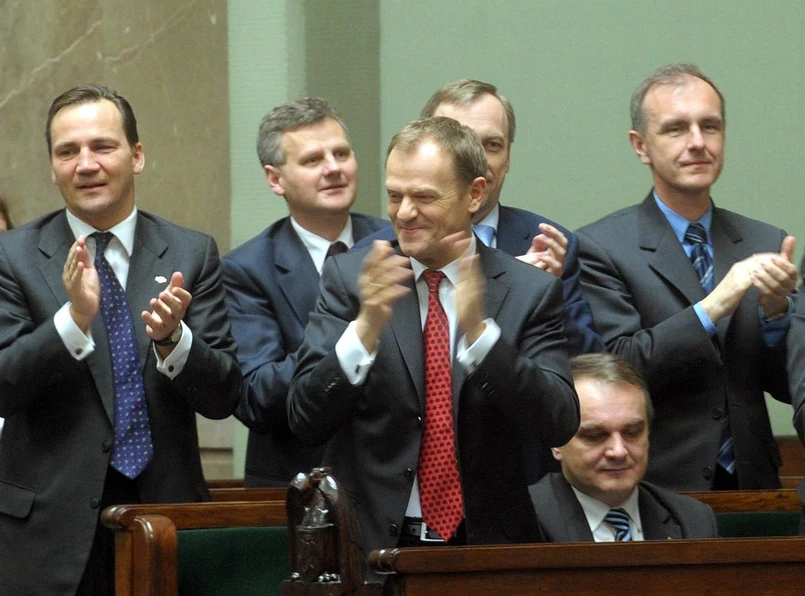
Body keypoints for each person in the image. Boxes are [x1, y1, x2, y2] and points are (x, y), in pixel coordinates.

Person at [287, 117, 579, 555]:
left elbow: (560, 420)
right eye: (394, 195)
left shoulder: (528, 290)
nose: (404, 213)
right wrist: (365, 329)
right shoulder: (351, 280)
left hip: (486, 550)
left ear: (474, 194)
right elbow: (305, 417)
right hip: (372, 550)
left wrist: (482, 339)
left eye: (424, 197)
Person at [0, 85, 242, 595]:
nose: (86, 164)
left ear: (137, 155)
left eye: (103, 146)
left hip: (165, 521)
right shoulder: (13, 257)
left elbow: (224, 396)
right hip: (49, 535)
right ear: (52, 168)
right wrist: (73, 320)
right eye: (68, 151)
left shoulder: (191, 252)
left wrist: (174, 341)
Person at [577, 64, 797, 492]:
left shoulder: (764, 240)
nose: (697, 142)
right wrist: (714, 305)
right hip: (656, 483)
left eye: (710, 126)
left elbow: (789, 387)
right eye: (676, 129)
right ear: (641, 145)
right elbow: (618, 371)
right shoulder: (600, 246)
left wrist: (777, 315)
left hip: (754, 483)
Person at [357, 79, 602, 356]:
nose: (478, 161)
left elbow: (586, 362)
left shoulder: (549, 244)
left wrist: (541, 293)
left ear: (508, 157)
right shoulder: (370, 257)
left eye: (492, 145)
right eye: (458, 143)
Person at [222, 97, 388, 487]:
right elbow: (257, 395)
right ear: (275, 179)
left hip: (393, 478)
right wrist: (355, 334)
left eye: (341, 153)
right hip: (299, 486)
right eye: (313, 160)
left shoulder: (393, 244)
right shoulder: (247, 269)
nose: (334, 168)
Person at [530, 353, 718, 541]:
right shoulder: (525, 520)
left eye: (632, 432)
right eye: (595, 435)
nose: (619, 451)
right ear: (557, 443)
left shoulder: (693, 520)